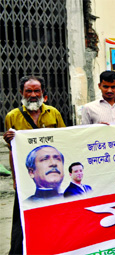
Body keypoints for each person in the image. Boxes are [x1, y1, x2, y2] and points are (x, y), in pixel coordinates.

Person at [3, 75, 66, 254]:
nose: (32, 94)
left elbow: (64, 140)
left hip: (50, 177)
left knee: (54, 214)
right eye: (28, 91)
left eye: (36, 90)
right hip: (26, 177)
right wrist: (16, 179)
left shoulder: (54, 113)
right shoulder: (12, 116)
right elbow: (12, 151)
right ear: (21, 93)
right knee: (22, 218)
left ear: (43, 92)